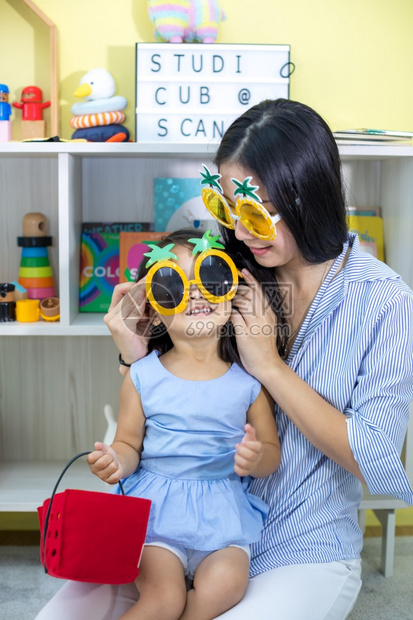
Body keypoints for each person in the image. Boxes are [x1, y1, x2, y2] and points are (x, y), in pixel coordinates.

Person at [35, 98, 413, 620]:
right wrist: (134, 356)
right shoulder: (224, 270)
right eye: (229, 210)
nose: (239, 232)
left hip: (299, 544)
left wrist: (270, 368)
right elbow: (162, 403)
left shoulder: (384, 300)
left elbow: (380, 462)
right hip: (169, 530)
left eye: (254, 213)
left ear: (309, 196)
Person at [89, 229, 280, 620]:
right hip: (158, 516)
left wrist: (255, 458)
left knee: (226, 585)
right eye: (172, 283)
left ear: (231, 293)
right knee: (165, 598)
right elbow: (128, 443)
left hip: (223, 517)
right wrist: (116, 462)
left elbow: (272, 453)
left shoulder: (249, 382)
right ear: (153, 307)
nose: (194, 292)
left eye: (210, 277)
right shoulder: (142, 376)